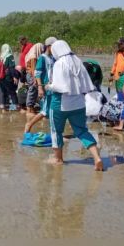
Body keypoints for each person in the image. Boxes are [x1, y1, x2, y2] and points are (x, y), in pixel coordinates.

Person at [44, 40, 103, 170]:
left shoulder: (59, 64)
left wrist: (49, 86)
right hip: (79, 103)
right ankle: (97, 158)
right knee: (82, 130)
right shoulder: (77, 61)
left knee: (56, 131)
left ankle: (58, 158)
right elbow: (87, 84)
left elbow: (61, 86)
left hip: (60, 103)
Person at [24, 37, 56, 133]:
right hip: (46, 87)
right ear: (49, 46)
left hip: (53, 86)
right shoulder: (42, 58)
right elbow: (37, 73)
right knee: (45, 110)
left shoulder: (53, 58)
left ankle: (54, 130)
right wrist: (40, 87)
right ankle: (29, 124)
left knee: (52, 109)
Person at [0, 44, 19, 111]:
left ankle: (3, 107)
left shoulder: (0, 57)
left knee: (2, 92)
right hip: (7, 77)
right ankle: (17, 106)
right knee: (12, 92)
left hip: (0, 77)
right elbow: (12, 67)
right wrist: (14, 76)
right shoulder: (10, 56)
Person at [24, 43, 44, 112]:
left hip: (30, 74)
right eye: (41, 49)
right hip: (31, 75)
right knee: (32, 90)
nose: (42, 51)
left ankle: (31, 106)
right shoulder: (33, 57)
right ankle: (29, 107)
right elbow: (33, 69)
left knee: (33, 90)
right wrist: (35, 79)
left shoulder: (31, 54)